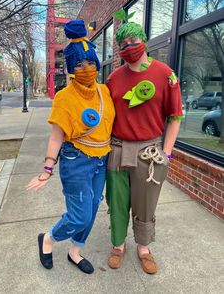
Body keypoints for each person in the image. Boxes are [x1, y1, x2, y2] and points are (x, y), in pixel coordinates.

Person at [26, 20, 115, 274]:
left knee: (93, 208)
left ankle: (74, 251)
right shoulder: (64, 97)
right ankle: (48, 239)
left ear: (96, 63)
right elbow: (56, 136)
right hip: (76, 160)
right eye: (78, 64)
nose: (85, 68)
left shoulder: (105, 92)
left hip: (102, 160)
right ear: (71, 67)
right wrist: (47, 167)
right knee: (79, 216)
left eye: (89, 62)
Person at [106, 18, 183, 274]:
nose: (129, 46)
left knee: (146, 203)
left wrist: (167, 152)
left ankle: (143, 247)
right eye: (123, 43)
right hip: (117, 149)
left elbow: (175, 117)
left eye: (133, 41)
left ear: (144, 41)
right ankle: (118, 245)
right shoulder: (114, 79)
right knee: (116, 202)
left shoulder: (165, 74)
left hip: (150, 152)